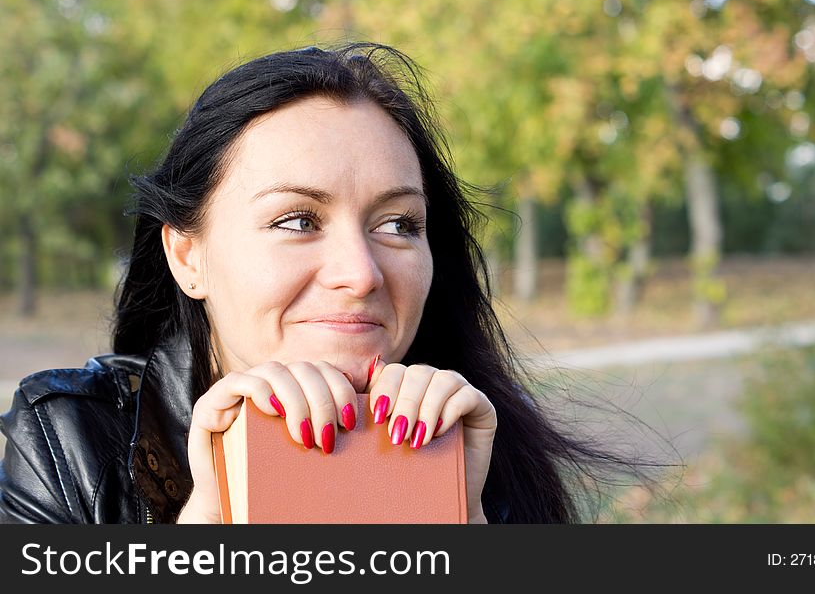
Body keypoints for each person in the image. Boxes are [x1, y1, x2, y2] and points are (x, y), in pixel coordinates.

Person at [0, 43, 655, 524]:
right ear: (187, 255)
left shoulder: (484, 444)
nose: (361, 272)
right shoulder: (71, 443)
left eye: (399, 223)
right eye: (296, 219)